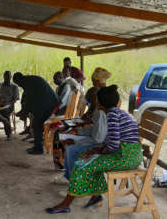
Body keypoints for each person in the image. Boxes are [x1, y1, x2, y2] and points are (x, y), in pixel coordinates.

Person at [46, 85, 142, 214]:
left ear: (101, 103)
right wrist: (97, 150)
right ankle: (95, 195)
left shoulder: (112, 116)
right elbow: (111, 141)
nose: (95, 102)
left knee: (83, 164)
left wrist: (97, 151)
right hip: (127, 154)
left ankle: (66, 204)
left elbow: (113, 146)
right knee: (85, 156)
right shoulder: (117, 113)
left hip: (125, 157)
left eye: (96, 100)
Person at [52, 87, 107, 170]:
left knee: (63, 138)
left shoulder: (99, 113)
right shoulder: (95, 110)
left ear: (95, 100)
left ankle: (63, 164)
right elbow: (91, 128)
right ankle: (61, 163)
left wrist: (76, 140)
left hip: (93, 140)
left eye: (89, 101)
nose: (88, 103)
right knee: (60, 134)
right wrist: (77, 131)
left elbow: (97, 139)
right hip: (87, 133)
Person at [13, 72, 59, 155]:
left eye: (18, 84)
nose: (19, 86)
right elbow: (28, 99)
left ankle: (39, 149)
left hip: (49, 104)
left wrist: (24, 112)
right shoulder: (29, 80)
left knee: (36, 125)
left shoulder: (27, 83)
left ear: (19, 80)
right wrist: (24, 111)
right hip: (48, 103)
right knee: (37, 124)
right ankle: (37, 145)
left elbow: (30, 100)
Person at [0, 71, 19, 140]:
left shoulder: (14, 87)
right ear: (3, 76)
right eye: (5, 76)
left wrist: (9, 104)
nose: (7, 78)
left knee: (5, 112)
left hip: (9, 106)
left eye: (9, 76)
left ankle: (8, 133)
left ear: (11, 77)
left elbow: (15, 99)